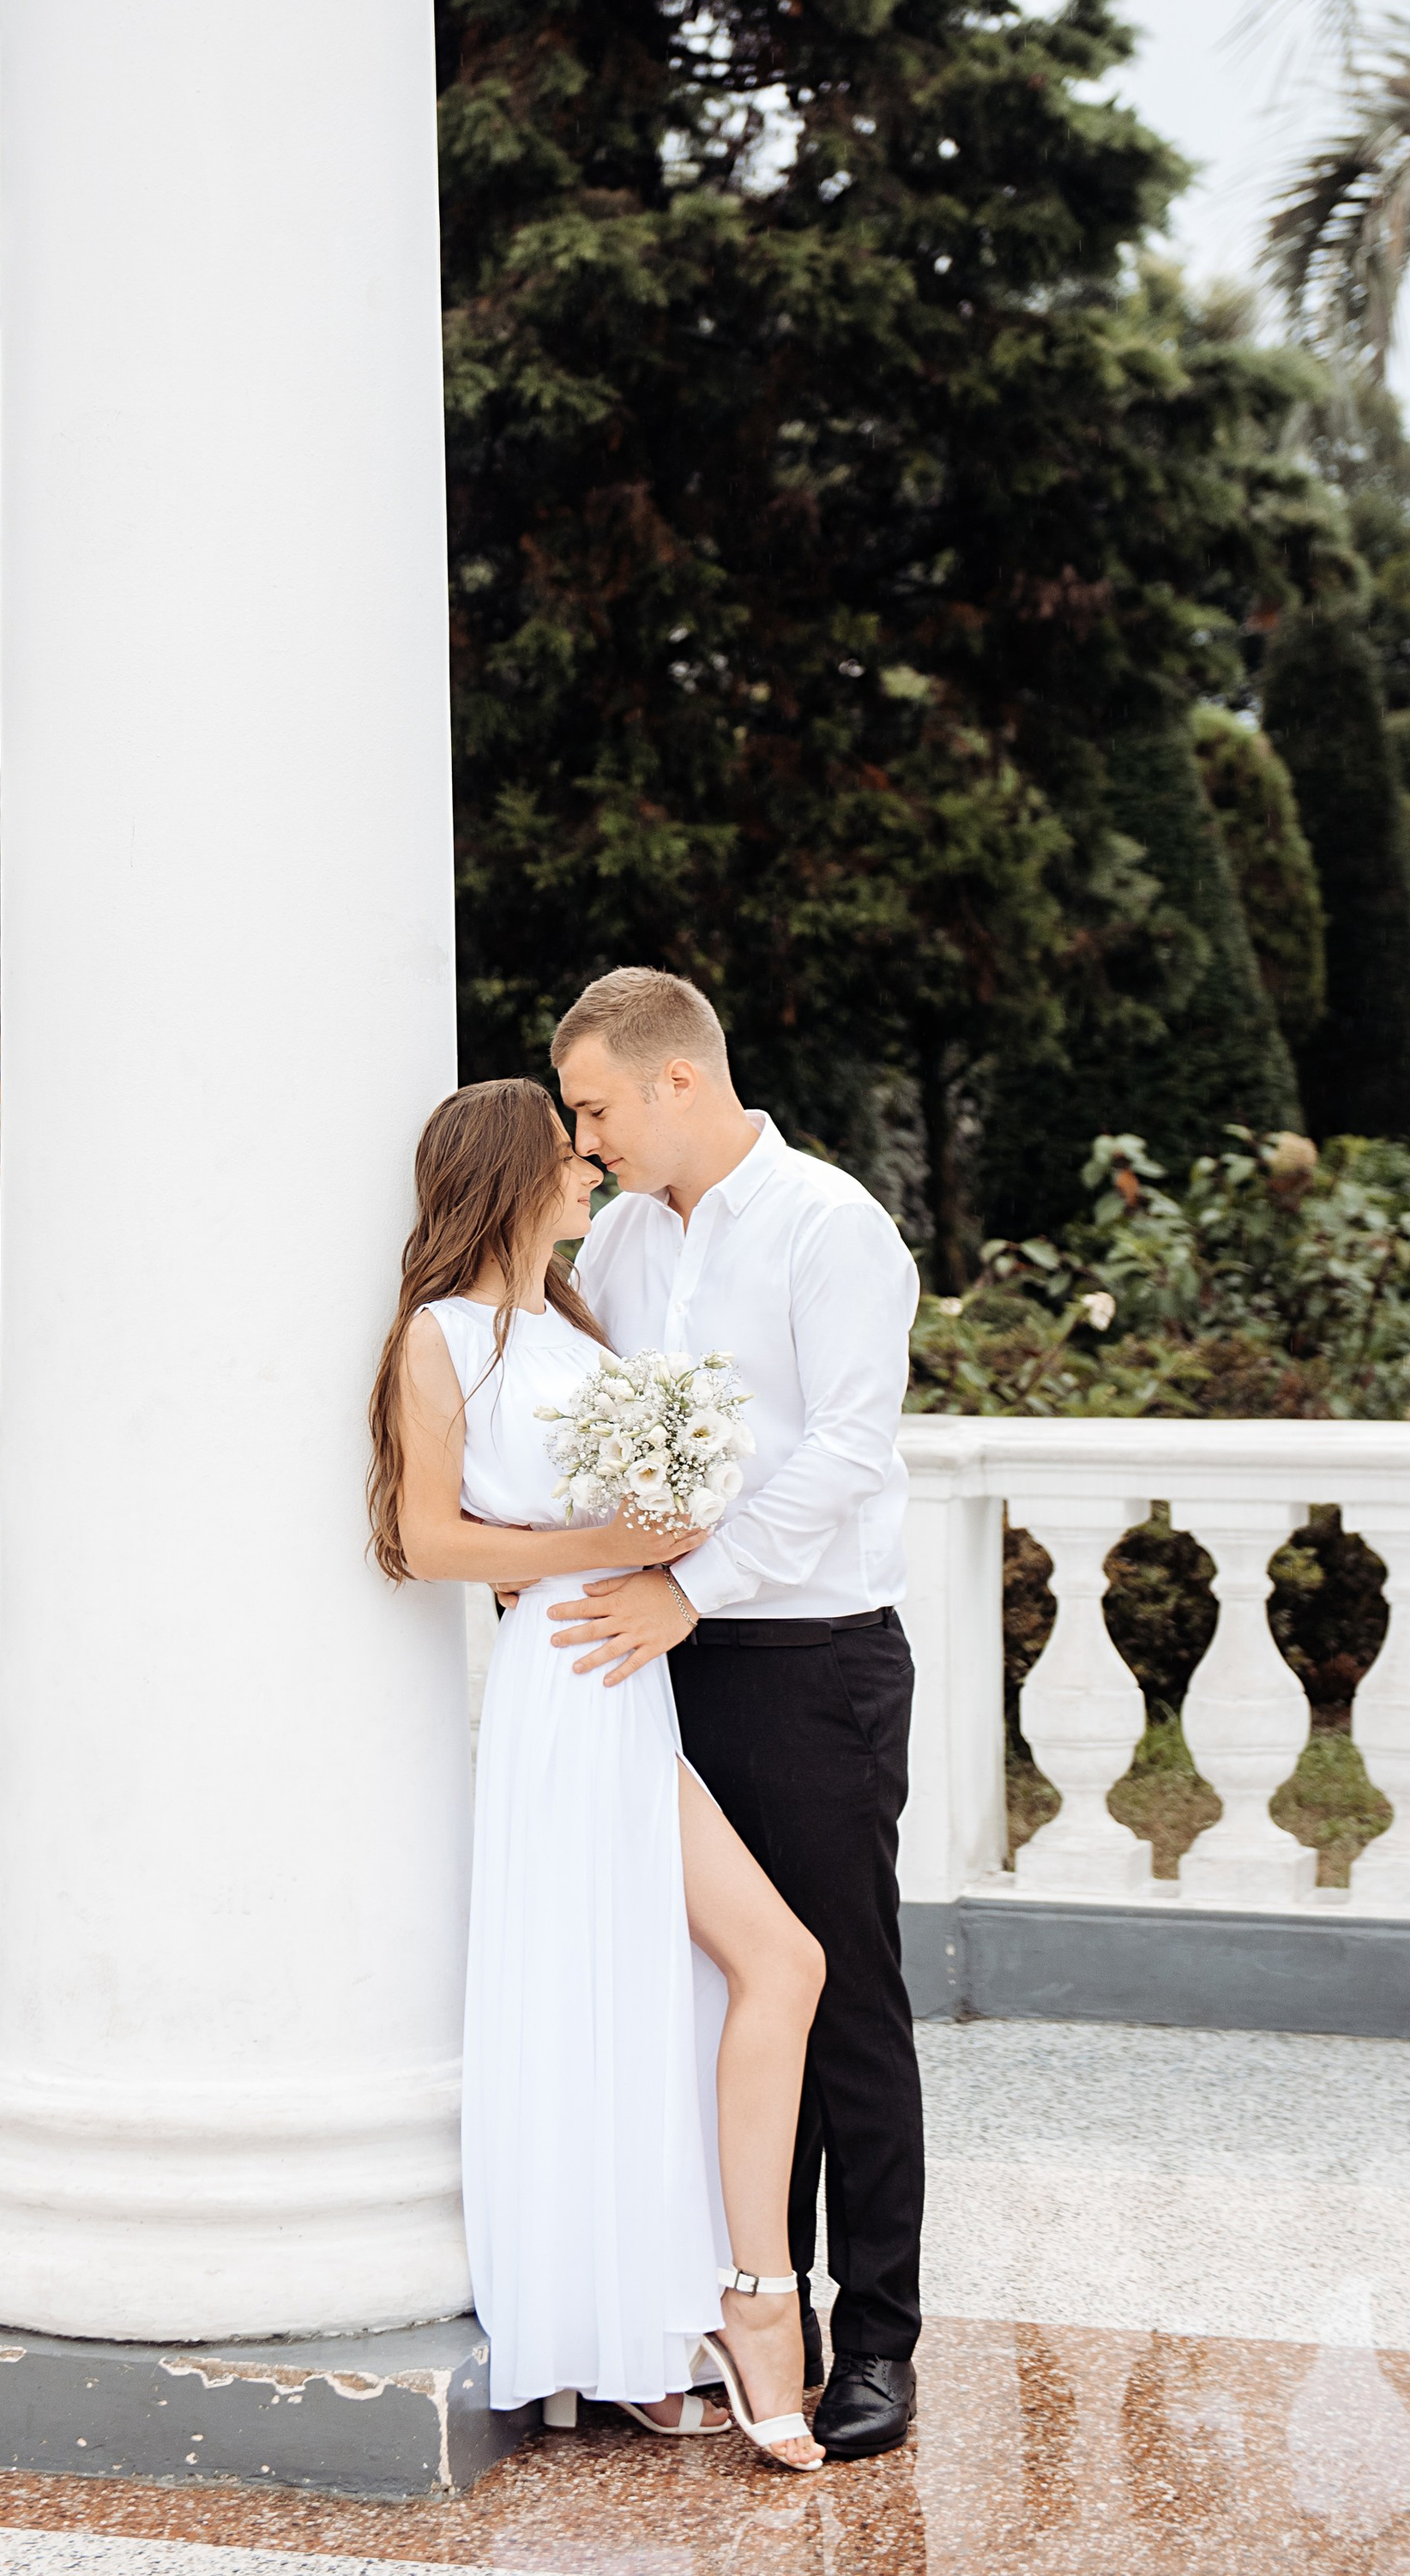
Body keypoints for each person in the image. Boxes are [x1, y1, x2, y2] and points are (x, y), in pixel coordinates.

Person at [368, 1079, 827, 2466]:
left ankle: (659, 2323)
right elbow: (426, 1543)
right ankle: (739, 2311)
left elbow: (642, 1510)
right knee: (756, 1966)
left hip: (634, 1683)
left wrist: (674, 1525)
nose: (591, 1173)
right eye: (569, 1157)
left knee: (684, 1989)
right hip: (565, 1687)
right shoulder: (436, 1342)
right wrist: (606, 1548)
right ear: (511, 1178)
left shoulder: (573, 1320)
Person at [545, 968, 925, 2465]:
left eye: (595, 1109)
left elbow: (845, 1453)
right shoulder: (624, 1239)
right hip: (664, 1660)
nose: (586, 1144)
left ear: (675, 1083)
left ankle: (876, 2338)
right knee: (709, 1999)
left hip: (813, 1662)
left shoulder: (833, 1227)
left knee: (841, 1999)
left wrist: (693, 1594)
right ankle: (753, 2315)